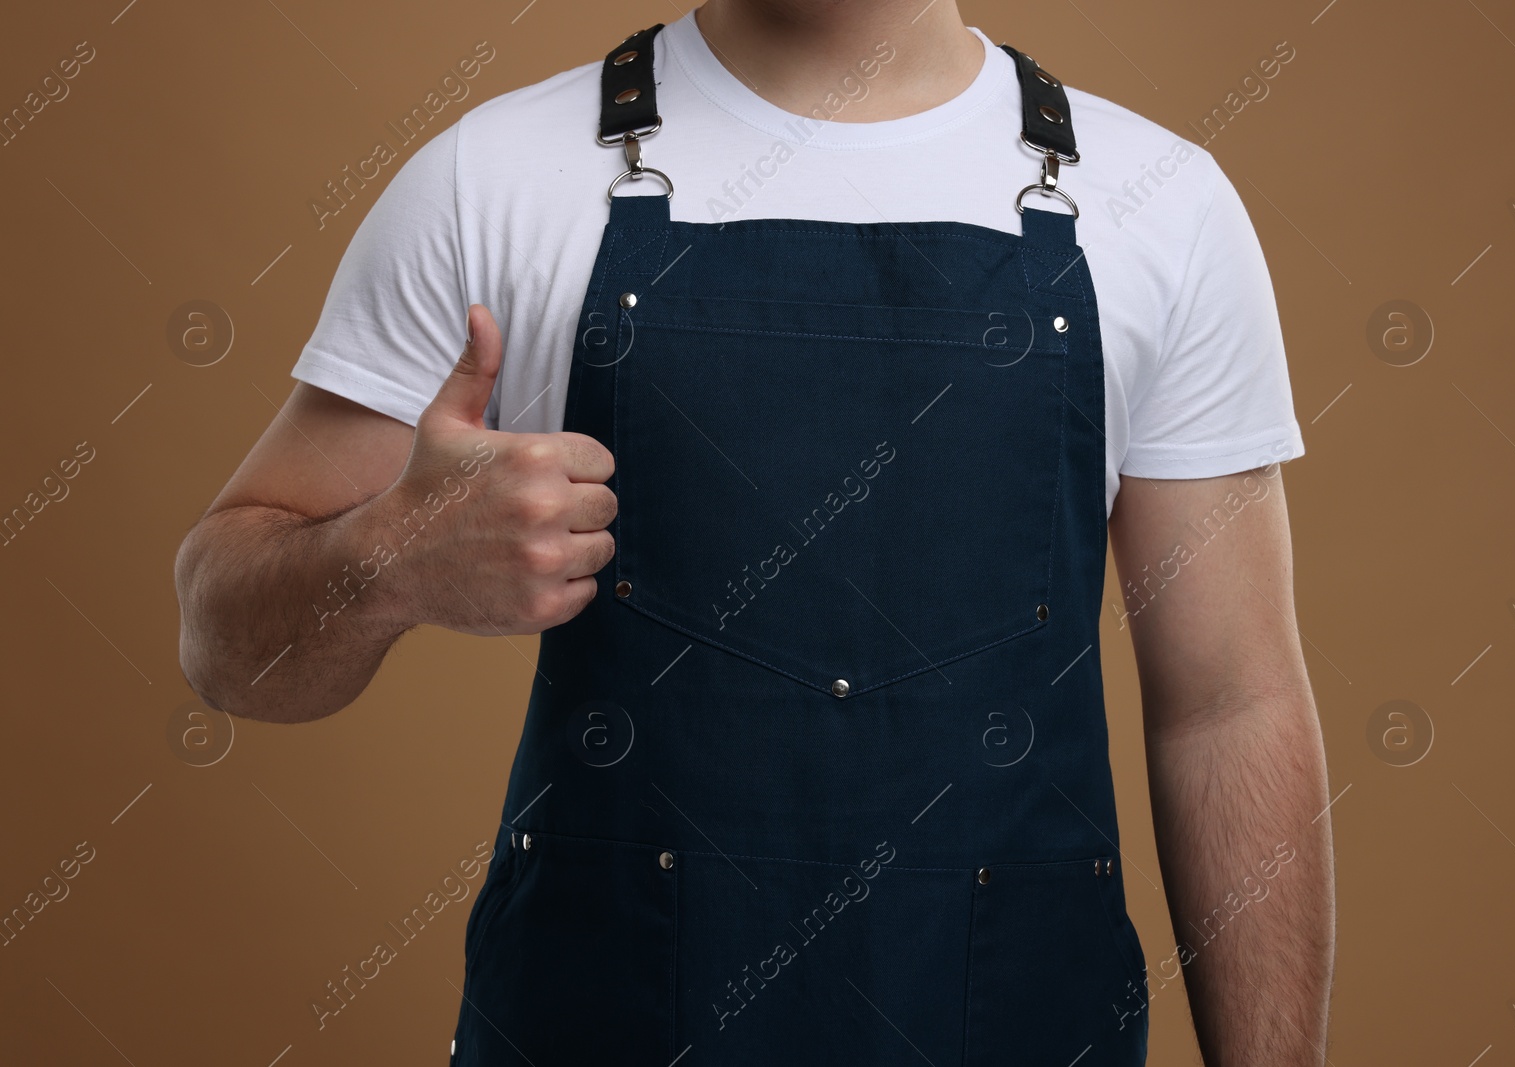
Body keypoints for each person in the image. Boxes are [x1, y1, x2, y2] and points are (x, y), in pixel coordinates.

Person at [175, 1, 1335, 1063]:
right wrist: (390, 559)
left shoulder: (1162, 208)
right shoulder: (494, 181)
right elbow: (224, 643)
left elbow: (1230, 705)